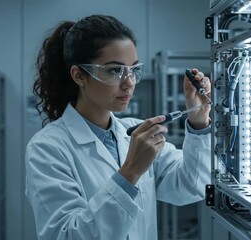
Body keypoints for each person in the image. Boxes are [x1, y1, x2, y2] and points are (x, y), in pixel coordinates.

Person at [25, 14, 212, 240]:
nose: (129, 82)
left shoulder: (134, 132)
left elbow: (191, 186)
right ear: (79, 75)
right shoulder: (48, 148)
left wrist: (199, 120)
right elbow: (66, 235)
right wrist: (130, 172)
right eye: (115, 70)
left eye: (133, 70)